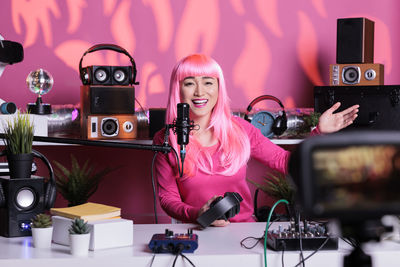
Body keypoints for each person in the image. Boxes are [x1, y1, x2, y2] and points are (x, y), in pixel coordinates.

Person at [153, 54, 359, 226]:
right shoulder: (165, 138)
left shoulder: (240, 129)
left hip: (244, 232)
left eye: (208, 82)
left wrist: (319, 133)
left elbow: (286, 163)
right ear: (178, 89)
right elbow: (167, 198)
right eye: (190, 83)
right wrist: (198, 213)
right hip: (197, 231)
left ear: (218, 88)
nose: (199, 91)